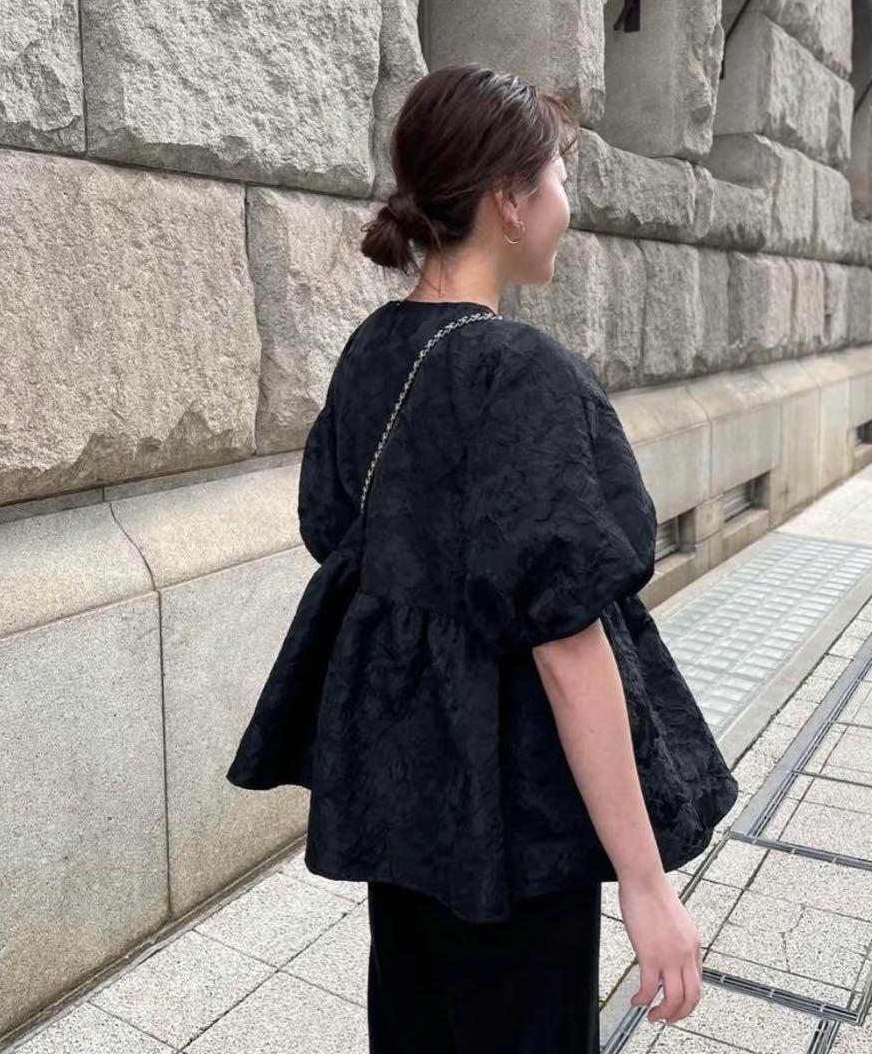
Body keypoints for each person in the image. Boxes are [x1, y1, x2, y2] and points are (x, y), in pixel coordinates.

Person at [226, 62, 737, 1053]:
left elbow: (335, 531)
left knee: (416, 1023)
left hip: (401, 785)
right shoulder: (518, 370)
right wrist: (647, 887)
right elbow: (567, 645)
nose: (566, 206)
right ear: (508, 200)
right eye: (558, 180)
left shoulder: (375, 347)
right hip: (511, 813)